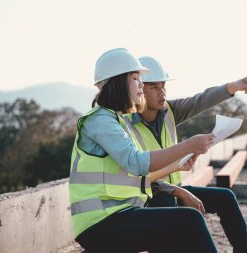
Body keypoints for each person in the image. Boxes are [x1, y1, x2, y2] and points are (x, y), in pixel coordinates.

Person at [69, 48, 219, 253]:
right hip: (101, 222)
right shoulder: (100, 120)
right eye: (135, 78)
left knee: (168, 231)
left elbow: (140, 172)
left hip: (120, 214)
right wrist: (187, 145)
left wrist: (177, 168)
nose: (141, 84)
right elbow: (136, 163)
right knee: (189, 219)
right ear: (119, 81)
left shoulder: (117, 120)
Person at [123, 56, 247, 253]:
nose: (162, 92)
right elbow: (135, 176)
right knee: (166, 203)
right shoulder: (125, 126)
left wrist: (233, 87)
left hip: (173, 189)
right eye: (154, 87)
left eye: (163, 85)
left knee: (225, 197)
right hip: (147, 197)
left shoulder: (169, 112)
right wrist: (178, 190)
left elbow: (201, 101)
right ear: (139, 88)